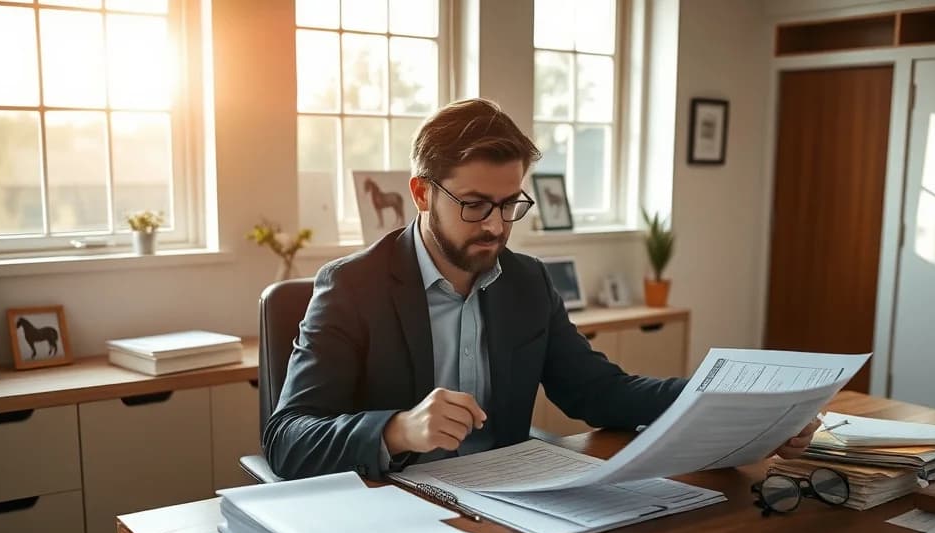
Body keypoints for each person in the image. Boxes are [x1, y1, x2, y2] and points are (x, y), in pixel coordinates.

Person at [263, 98, 819, 480]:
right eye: (475, 204)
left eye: (510, 205)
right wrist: (399, 430)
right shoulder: (352, 286)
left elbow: (599, 391)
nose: (496, 226)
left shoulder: (526, 281)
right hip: (391, 510)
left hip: (506, 507)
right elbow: (287, 438)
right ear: (422, 193)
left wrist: (743, 411)